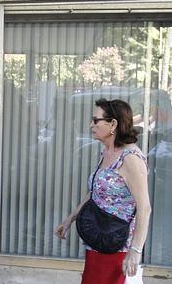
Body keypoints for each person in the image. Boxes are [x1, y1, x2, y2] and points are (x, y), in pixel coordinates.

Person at [55, 98, 151, 284]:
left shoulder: (131, 159)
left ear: (113, 124)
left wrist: (135, 251)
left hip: (117, 249)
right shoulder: (107, 152)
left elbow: (144, 208)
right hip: (98, 241)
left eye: (96, 120)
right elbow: (95, 192)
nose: (91, 124)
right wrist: (70, 219)